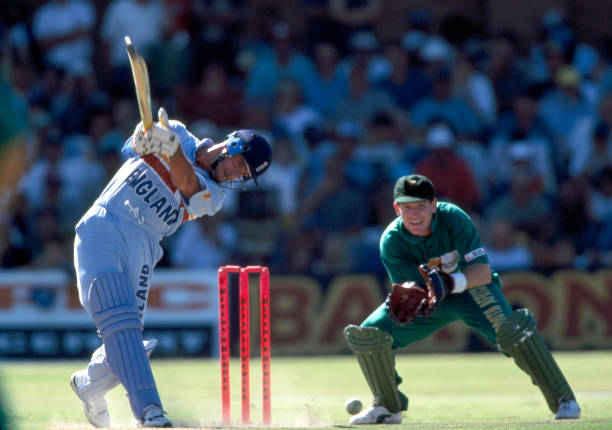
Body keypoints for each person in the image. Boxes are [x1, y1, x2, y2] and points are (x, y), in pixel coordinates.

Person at [69, 113, 272, 428]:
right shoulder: (175, 131)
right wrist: (149, 137)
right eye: (239, 163)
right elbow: (134, 146)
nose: (235, 174)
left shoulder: (214, 197)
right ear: (231, 144)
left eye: (243, 174)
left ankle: (89, 386)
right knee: (120, 322)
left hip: (145, 246)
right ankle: (150, 413)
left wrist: (172, 151)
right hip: (106, 224)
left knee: (127, 341)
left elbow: (187, 183)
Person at [343, 174, 580, 424]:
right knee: (370, 335)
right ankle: (387, 407)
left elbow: (482, 272)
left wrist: (450, 282)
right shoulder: (392, 241)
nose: (414, 214)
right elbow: (409, 289)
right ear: (396, 208)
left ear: (433, 205)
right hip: (432, 302)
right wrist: (415, 300)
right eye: (407, 207)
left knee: (515, 331)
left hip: (470, 290)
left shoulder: (453, 218)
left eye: (421, 206)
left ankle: (564, 399)